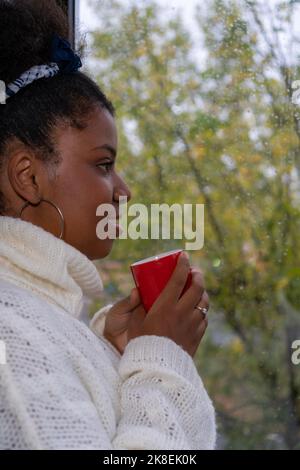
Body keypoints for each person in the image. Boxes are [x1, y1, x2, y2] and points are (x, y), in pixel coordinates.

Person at [0, 0, 216, 450]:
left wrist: (112, 351)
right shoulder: (11, 337)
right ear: (28, 176)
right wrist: (162, 361)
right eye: (103, 164)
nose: (124, 190)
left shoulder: (39, 315)